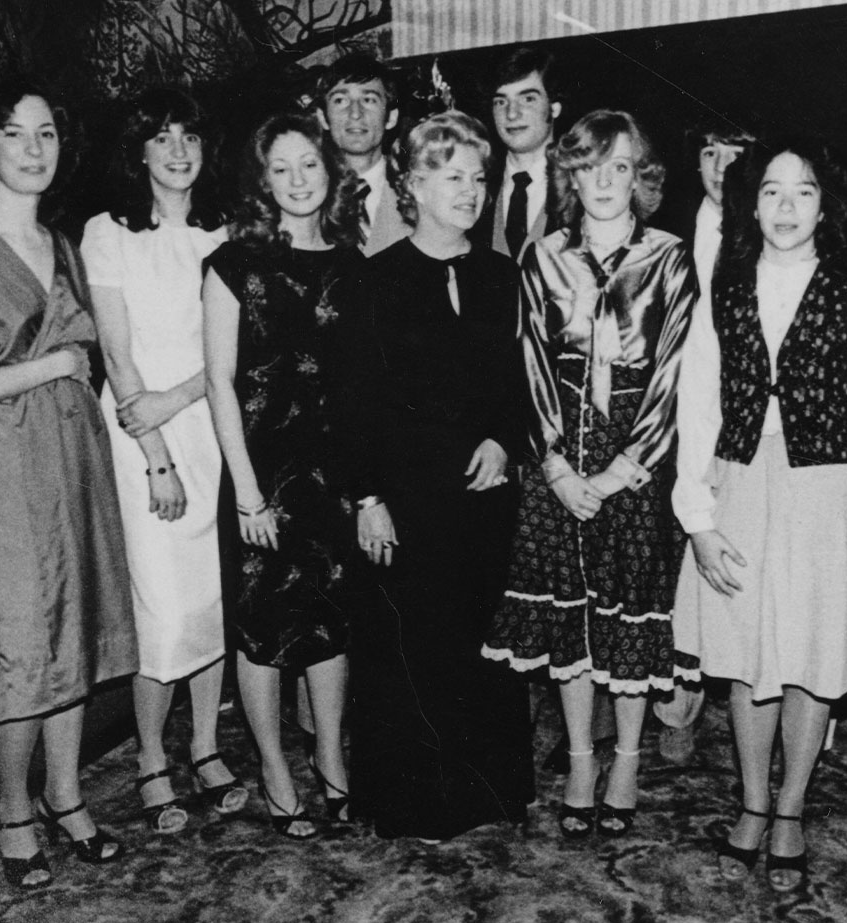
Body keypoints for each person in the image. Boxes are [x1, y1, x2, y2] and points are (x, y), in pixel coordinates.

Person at [671, 137, 847, 891]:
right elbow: (698, 405)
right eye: (771, 191)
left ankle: (790, 808)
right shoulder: (727, 286)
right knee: (748, 654)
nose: (785, 206)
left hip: (828, 490)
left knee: (811, 653)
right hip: (741, 484)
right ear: (751, 202)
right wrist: (699, 516)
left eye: (803, 191)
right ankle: (750, 799)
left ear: (825, 205)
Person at [0, 77, 135, 889]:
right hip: (1, 471)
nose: (34, 149)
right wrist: (51, 364)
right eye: (15, 134)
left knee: (73, 632)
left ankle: (68, 798)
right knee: (18, 647)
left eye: (46, 134)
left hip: (74, 459)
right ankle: (14, 808)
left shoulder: (68, 247)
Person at [483, 110, 698, 840]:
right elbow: (530, 364)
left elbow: (673, 371)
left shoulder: (670, 256)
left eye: (621, 167)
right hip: (560, 450)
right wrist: (555, 463)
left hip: (636, 454)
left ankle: (629, 759)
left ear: (641, 177)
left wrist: (619, 471)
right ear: (568, 175)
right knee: (568, 612)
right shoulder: (542, 256)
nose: (605, 183)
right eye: (589, 168)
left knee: (630, 611)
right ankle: (579, 759)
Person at [342, 111, 534, 841]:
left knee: (481, 641)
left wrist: (503, 440)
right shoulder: (377, 280)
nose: (470, 189)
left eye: (478, 176)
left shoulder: (499, 273)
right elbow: (356, 400)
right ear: (412, 185)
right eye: (450, 175)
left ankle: (489, 792)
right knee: (411, 650)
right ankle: (417, 803)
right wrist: (368, 498)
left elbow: (517, 380)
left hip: (483, 494)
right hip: (408, 498)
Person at [83, 87, 247, 834]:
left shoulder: (227, 233)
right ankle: (151, 756)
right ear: (139, 151)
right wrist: (154, 454)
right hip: (140, 435)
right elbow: (116, 356)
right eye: (162, 136)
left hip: (211, 425)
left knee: (212, 595)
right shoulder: (107, 233)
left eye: (191, 136)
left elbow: (232, 357)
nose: (178, 150)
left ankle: (207, 746)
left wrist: (186, 399)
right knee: (162, 603)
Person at [202, 111, 363, 840]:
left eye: (309, 164)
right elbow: (218, 382)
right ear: (262, 182)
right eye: (281, 168)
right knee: (263, 629)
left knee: (330, 622)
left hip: (329, 474)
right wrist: (246, 490)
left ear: (328, 171)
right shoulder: (232, 264)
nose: (299, 180)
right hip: (259, 473)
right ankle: (273, 767)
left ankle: (330, 753)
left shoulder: (353, 263)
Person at [647, 115, 756, 765]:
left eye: (733, 153)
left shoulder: (773, 230)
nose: (719, 166)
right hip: (671, 416)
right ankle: (677, 702)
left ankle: (738, 687)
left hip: (740, 424)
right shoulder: (667, 235)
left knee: (726, 555)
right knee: (670, 560)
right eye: (708, 152)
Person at [473, 46, 562, 262]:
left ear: (555, 107)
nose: (512, 113)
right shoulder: (474, 187)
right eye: (501, 101)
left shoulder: (582, 186)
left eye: (528, 99)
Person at [314, 52, 407, 257]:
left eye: (369, 99)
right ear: (323, 117)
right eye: (340, 100)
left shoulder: (416, 189)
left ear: (391, 117)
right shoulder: (306, 194)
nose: (355, 113)